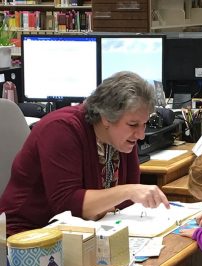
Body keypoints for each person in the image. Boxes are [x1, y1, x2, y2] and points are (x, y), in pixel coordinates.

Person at [0, 71, 169, 236]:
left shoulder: (121, 139)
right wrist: (127, 192)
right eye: (133, 125)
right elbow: (67, 205)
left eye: (144, 124)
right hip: (28, 235)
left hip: (86, 232)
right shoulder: (61, 130)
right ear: (105, 118)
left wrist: (105, 203)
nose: (140, 135)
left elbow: (124, 205)